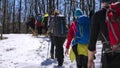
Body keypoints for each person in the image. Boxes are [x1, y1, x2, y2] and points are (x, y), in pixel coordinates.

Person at [88, 0, 120, 68]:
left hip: (110, 57)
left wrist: (90, 59)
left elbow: (92, 41)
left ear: (102, 2)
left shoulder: (98, 15)